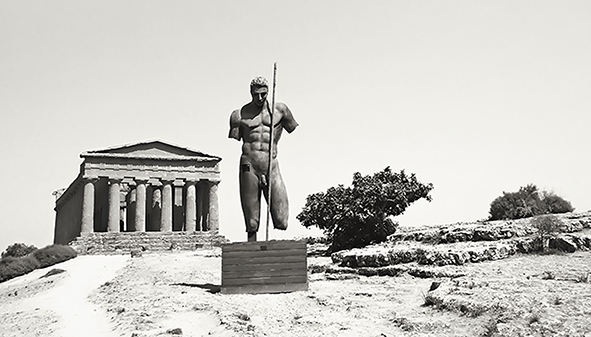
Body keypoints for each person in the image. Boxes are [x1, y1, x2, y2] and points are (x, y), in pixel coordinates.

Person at [228, 76, 299, 241]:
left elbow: (292, 127)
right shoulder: (239, 115)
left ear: (268, 92)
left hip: (271, 165)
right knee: (252, 222)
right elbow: (236, 137)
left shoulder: (281, 111)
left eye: (263, 94)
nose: (260, 98)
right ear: (250, 93)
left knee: (281, 220)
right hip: (249, 165)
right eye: (256, 94)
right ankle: (252, 246)